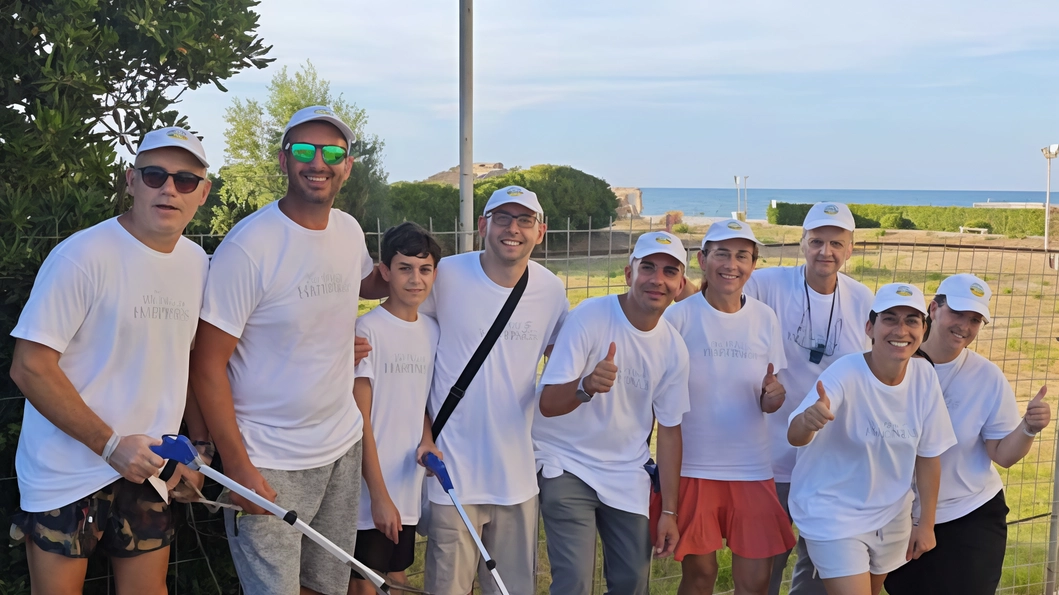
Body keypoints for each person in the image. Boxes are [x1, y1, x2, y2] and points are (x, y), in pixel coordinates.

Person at [189, 106, 388, 595]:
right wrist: (237, 469)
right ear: (283, 161)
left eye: (332, 153)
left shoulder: (348, 230)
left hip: (340, 445)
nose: (317, 162)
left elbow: (361, 283)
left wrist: (425, 265)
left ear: (347, 166)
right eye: (303, 150)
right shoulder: (250, 246)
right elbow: (206, 364)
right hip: (268, 456)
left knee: (326, 586)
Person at [8, 126, 212, 594]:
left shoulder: (198, 263)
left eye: (184, 180)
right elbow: (29, 366)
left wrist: (198, 450)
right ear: (131, 180)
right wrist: (110, 445)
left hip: (150, 468)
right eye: (155, 174)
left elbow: (196, 359)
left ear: (203, 193)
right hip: (67, 472)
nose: (168, 188)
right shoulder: (82, 256)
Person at [422, 185, 569, 595]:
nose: (513, 229)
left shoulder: (552, 290)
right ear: (482, 224)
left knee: (511, 590)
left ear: (541, 231)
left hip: (516, 475)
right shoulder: (446, 275)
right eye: (502, 218)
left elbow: (564, 360)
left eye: (525, 220)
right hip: (452, 472)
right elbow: (405, 338)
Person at [535, 230, 691, 595]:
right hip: (565, 462)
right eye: (648, 267)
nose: (657, 279)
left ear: (680, 284)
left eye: (670, 272)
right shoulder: (590, 316)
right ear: (628, 273)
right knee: (574, 579)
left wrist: (670, 512)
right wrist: (586, 387)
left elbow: (669, 431)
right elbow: (547, 404)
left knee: (633, 582)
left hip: (625, 472)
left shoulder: (673, 348)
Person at [884, 274, 1051, 595]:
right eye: (957, 313)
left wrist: (1028, 427)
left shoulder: (986, 376)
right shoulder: (889, 365)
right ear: (933, 309)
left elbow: (1002, 454)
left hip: (969, 516)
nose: (964, 326)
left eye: (975, 320)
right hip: (898, 515)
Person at [786, 283, 957, 595]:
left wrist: (926, 524)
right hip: (833, 512)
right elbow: (795, 434)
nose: (901, 329)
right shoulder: (845, 373)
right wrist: (808, 421)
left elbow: (929, 456)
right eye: (889, 318)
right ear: (870, 327)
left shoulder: (924, 377)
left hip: (890, 514)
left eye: (912, 320)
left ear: (924, 330)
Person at [743, 202, 875, 595]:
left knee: (821, 570)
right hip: (774, 454)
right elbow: (724, 311)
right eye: (816, 241)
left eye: (837, 243)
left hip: (834, 462)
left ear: (851, 248)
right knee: (765, 569)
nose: (826, 252)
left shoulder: (862, 297)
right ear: (802, 243)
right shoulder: (767, 285)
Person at [661, 220, 796, 595]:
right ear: (702, 260)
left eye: (742, 256)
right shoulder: (679, 317)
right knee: (700, 576)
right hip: (694, 467)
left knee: (755, 583)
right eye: (721, 253)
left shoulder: (765, 318)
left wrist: (773, 398)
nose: (731, 264)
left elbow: (770, 395)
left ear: (753, 265)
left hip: (752, 467)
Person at [348, 222, 443, 595]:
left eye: (424, 269)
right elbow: (361, 421)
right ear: (385, 272)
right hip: (371, 489)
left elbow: (415, 399)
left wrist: (427, 439)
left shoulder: (433, 331)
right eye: (404, 268)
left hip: (408, 484)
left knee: (398, 579)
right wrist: (378, 495)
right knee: (365, 584)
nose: (415, 279)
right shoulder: (366, 331)